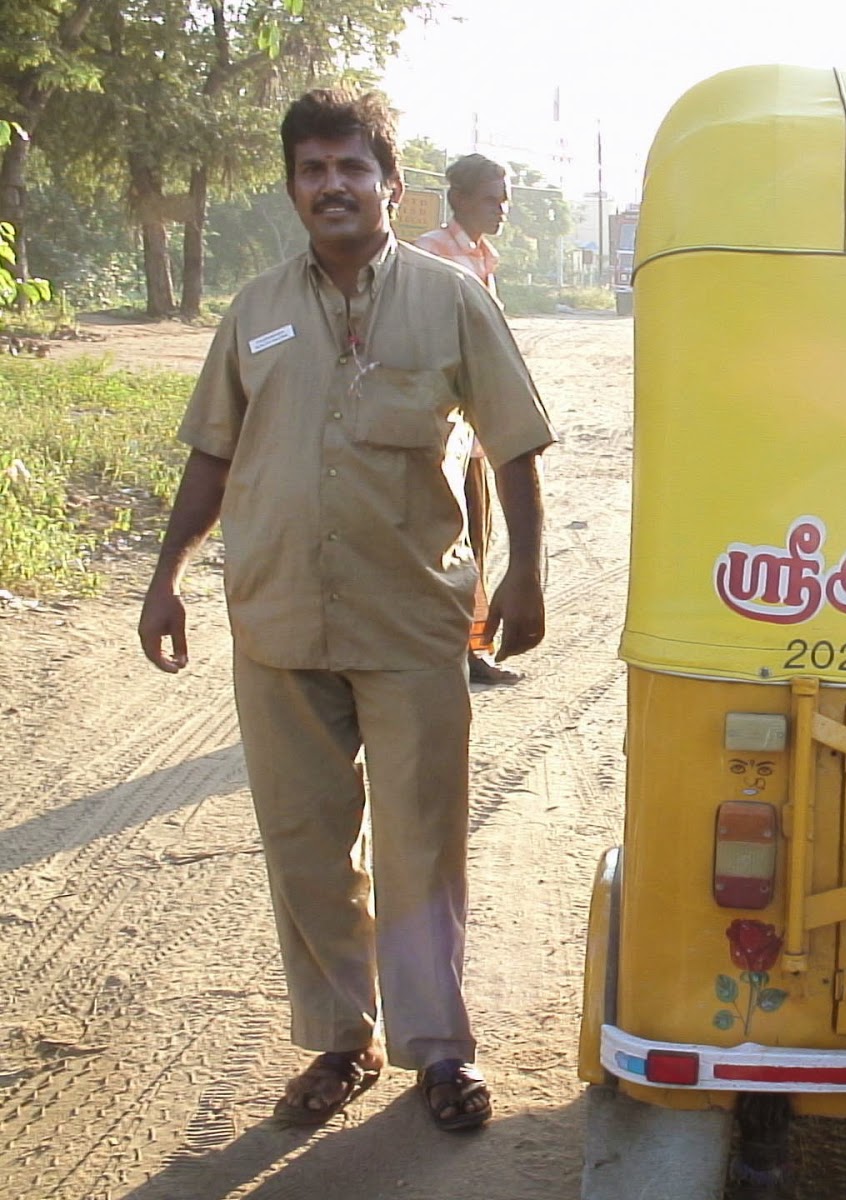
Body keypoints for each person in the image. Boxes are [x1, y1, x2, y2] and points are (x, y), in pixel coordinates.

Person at [137, 88, 554, 1133]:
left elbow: (513, 443)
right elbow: (212, 454)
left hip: (409, 620)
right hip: (278, 619)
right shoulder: (254, 311)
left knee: (422, 843)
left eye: (351, 168)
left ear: (391, 187)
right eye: (313, 170)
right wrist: (166, 575)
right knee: (305, 843)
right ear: (293, 188)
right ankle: (342, 1039)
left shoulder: (450, 300)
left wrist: (527, 573)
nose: (332, 186)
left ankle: (439, 1050)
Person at [414, 155, 517, 683]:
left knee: (478, 536)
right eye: (491, 199)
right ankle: (453, 650)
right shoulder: (429, 255)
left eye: (504, 200)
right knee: (449, 544)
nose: (502, 209)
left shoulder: (482, 259)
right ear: (458, 200)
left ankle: (471, 647)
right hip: (441, 433)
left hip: (474, 434)